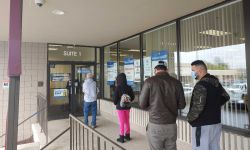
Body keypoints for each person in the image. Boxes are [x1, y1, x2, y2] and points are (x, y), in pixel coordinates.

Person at [139, 61, 186, 150]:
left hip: (155, 124)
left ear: (155, 70)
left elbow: (142, 104)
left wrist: (152, 106)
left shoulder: (149, 81)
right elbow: (182, 105)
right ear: (166, 69)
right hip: (171, 125)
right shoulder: (176, 83)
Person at [187, 60, 230, 150]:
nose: (192, 73)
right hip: (216, 123)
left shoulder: (201, 85)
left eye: (193, 70)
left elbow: (198, 106)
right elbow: (226, 96)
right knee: (214, 147)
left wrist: (190, 119)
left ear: (201, 69)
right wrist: (213, 106)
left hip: (202, 125)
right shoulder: (216, 83)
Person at [113, 73, 135, 143]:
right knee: (127, 121)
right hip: (127, 107)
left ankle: (121, 137)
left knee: (121, 122)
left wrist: (116, 103)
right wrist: (128, 101)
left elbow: (115, 100)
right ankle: (127, 135)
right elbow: (133, 97)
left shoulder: (118, 87)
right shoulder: (129, 87)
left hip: (120, 108)